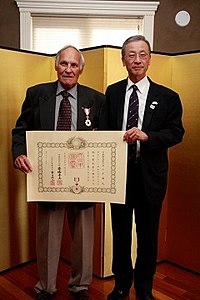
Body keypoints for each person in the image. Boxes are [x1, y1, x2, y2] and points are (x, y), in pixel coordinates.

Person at [12, 45, 107, 300]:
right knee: (48, 236)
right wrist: (19, 154)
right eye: (64, 63)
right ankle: (46, 286)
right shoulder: (36, 94)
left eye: (74, 65)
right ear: (56, 66)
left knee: (84, 236)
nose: (68, 69)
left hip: (84, 179)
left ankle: (80, 286)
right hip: (48, 176)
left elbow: (109, 137)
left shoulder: (97, 99)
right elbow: (20, 130)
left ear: (81, 69)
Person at [105, 35, 184, 300]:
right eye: (131, 55)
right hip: (119, 176)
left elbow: (176, 132)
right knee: (120, 233)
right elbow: (105, 131)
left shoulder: (168, 96)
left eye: (142, 54)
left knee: (148, 235)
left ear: (150, 58)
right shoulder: (112, 92)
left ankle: (144, 288)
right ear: (122, 60)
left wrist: (147, 136)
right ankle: (120, 286)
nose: (137, 60)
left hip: (150, 176)